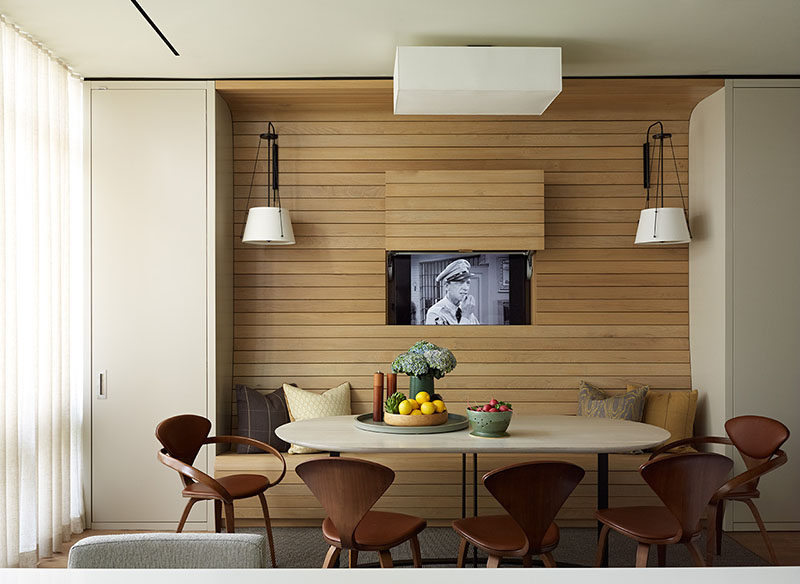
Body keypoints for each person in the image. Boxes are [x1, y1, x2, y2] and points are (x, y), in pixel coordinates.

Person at [425, 259, 480, 325]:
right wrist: (465, 317)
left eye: (468, 283)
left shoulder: (466, 310)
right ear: (447, 286)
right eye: (460, 282)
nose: (466, 288)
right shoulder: (436, 313)